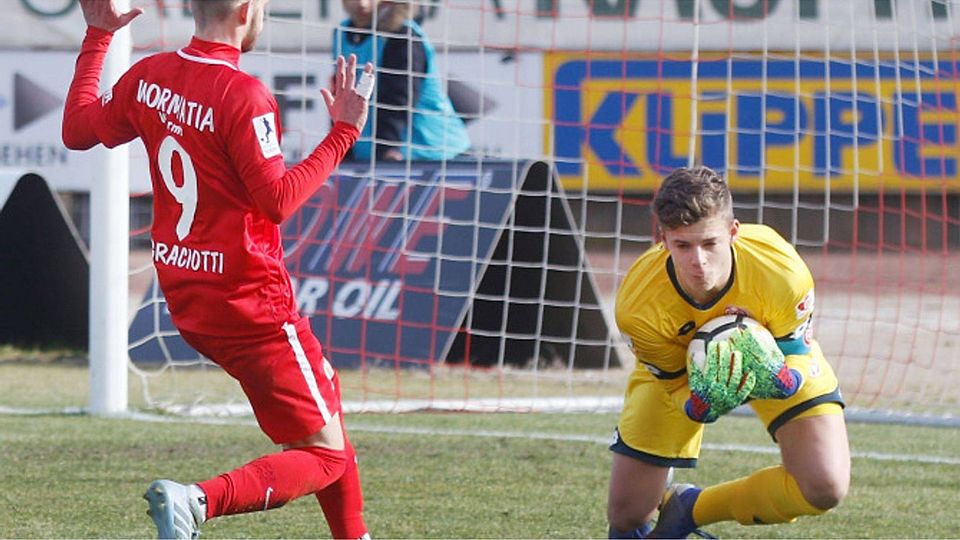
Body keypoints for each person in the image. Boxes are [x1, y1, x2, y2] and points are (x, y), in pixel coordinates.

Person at [62, 1, 373, 538]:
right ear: (248, 10)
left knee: (325, 405)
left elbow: (76, 130)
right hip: (252, 302)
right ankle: (195, 502)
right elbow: (276, 200)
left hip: (188, 298)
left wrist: (96, 38)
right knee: (326, 455)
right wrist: (342, 133)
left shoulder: (149, 75)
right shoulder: (243, 95)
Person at [609, 166, 850, 538]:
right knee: (626, 515)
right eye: (683, 246)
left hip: (776, 359)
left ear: (733, 231)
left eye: (709, 244)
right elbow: (672, 384)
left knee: (825, 486)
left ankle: (689, 508)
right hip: (682, 378)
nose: (698, 262)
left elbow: (796, 347)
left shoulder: (781, 270)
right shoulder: (638, 305)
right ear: (663, 239)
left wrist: (788, 377)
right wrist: (695, 405)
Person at [334, 0, 471, 161]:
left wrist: (387, 149)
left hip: (434, 154)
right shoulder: (341, 33)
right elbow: (341, 99)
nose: (362, 4)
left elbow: (398, 100)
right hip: (371, 156)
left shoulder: (403, 36)